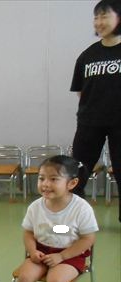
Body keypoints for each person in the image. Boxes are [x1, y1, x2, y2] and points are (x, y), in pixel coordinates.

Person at [9, 155, 98, 282]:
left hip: (71, 255)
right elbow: (28, 232)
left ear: (71, 183)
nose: (45, 184)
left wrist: (62, 256)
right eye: (41, 178)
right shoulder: (35, 207)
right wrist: (33, 251)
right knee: (24, 278)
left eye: (53, 179)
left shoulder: (81, 208)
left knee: (55, 281)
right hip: (41, 251)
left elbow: (88, 239)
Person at [70, 0, 121, 222]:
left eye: (105, 16)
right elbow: (81, 91)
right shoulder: (87, 55)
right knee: (76, 172)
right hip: (89, 123)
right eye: (96, 17)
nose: (99, 22)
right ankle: (73, 219)